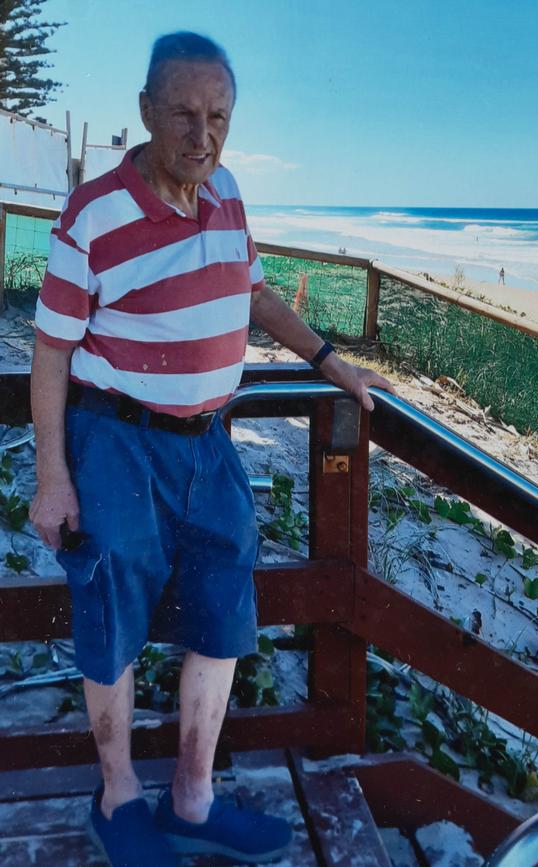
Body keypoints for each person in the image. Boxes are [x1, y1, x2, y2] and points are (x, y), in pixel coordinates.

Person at [29, 31, 394, 867]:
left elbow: (253, 289)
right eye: (185, 115)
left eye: (219, 116)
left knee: (225, 612)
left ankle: (192, 800)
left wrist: (331, 362)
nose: (204, 136)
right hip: (116, 438)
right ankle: (118, 797)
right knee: (112, 608)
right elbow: (51, 350)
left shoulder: (226, 191)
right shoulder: (95, 214)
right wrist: (54, 476)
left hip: (209, 442)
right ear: (146, 112)